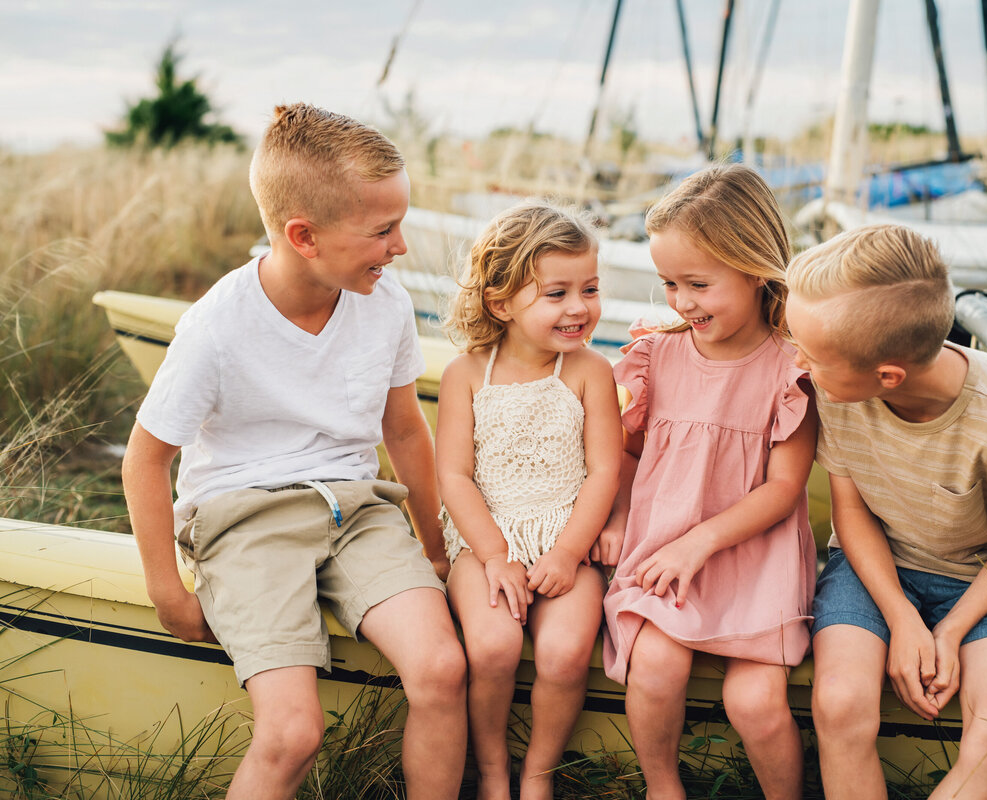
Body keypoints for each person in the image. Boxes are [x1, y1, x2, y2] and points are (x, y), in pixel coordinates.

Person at [122, 103, 467, 800]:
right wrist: (168, 592)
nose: (399, 247)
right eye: (383, 230)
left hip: (358, 512)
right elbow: (145, 458)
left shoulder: (385, 301)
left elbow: (403, 429)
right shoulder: (216, 329)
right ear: (303, 235)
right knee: (292, 733)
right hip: (245, 521)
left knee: (440, 670)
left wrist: (435, 545)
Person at [784, 223, 987, 800]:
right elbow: (851, 512)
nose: (797, 364)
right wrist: (903, 619)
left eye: (808, 354)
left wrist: (954, 627)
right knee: (839, 703)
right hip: (875, 568)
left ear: (888, 376)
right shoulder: (841, 389)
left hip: (986, 581)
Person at [602, 163, 818, 800]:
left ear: (755, 270)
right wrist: (617, 516)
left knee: (754, 702)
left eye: (698, 283)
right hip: (664, 554)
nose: (681, 301)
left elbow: (783, 490)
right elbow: (626, 453)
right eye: (669, 283)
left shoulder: (790, 368)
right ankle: (662, 787)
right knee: (657, 669)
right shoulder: (655, 356)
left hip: (754, 560)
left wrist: (702, 543)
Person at [437, 202, 622, 800]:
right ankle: (491, 769)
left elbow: (603, 473)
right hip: (484, 540)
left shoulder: (591, 370)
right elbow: (456, 477)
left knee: (566, 654)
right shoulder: (468, 375)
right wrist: (494, 555)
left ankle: (538, 773)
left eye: (589, 289)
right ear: (500, 302)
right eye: (556, 293)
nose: (578, 308)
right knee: (492, 648)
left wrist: (569, 552)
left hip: (568, 536)